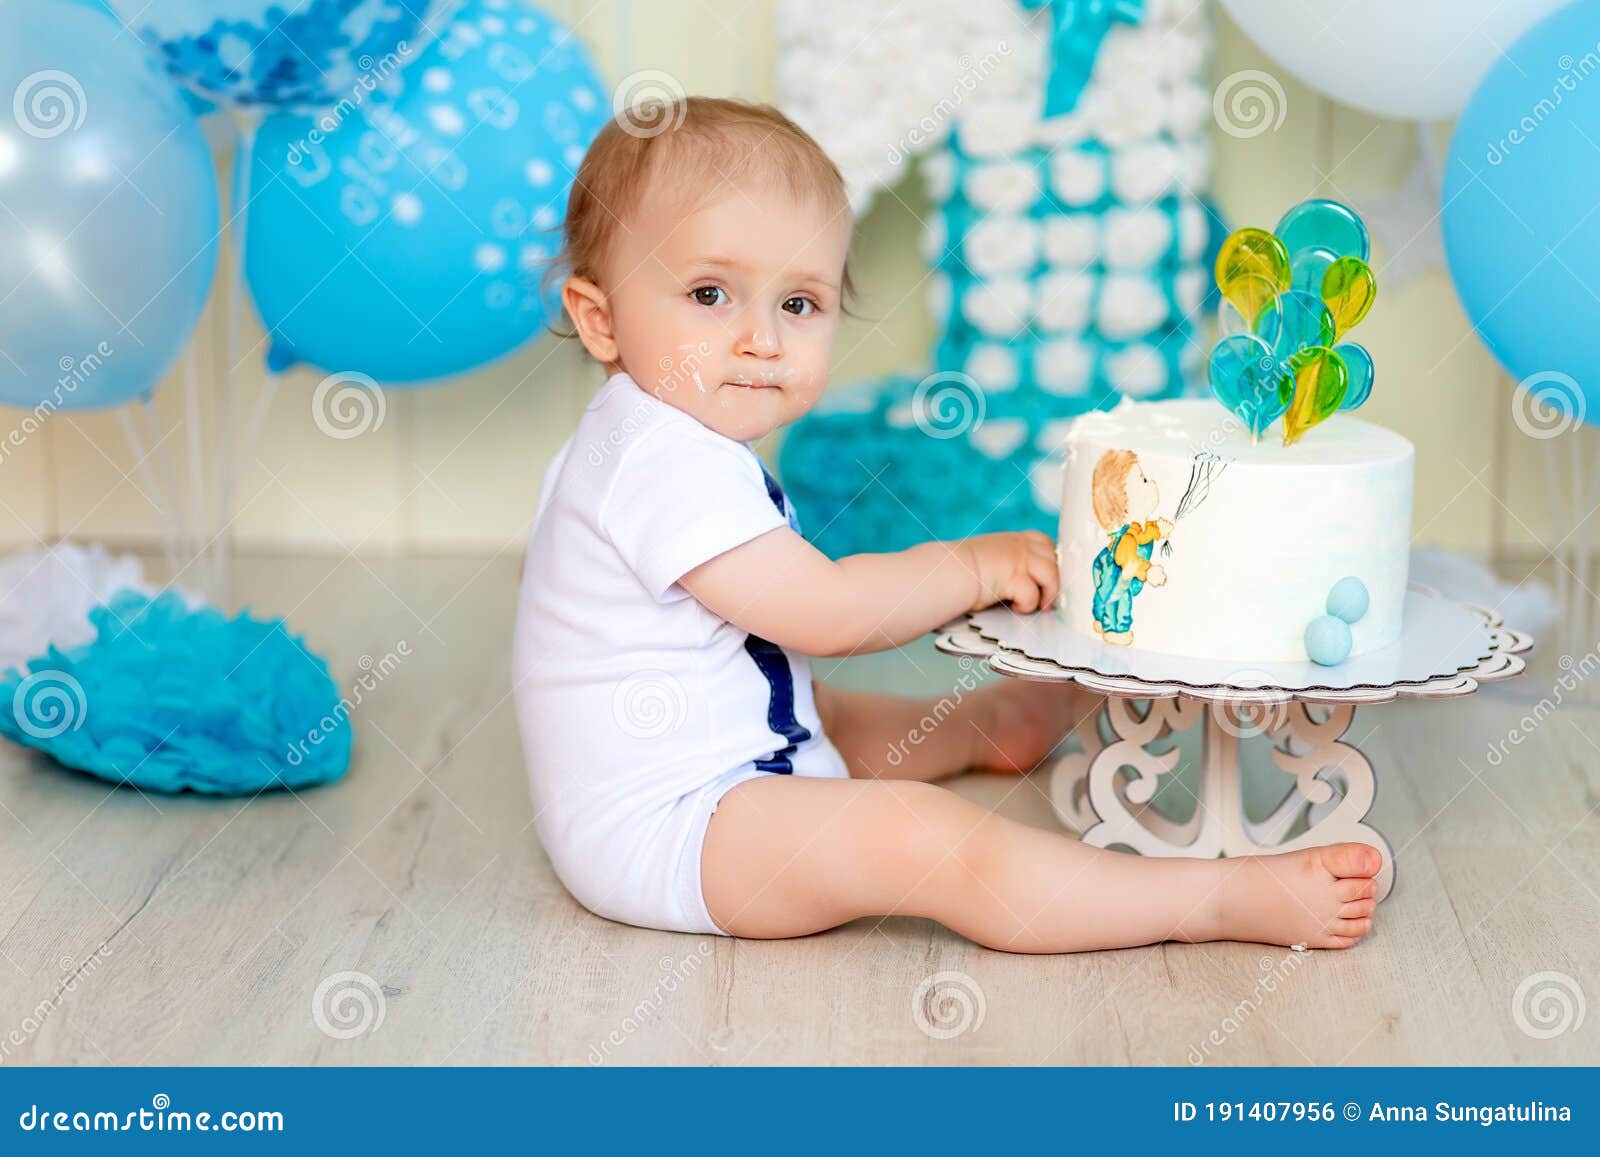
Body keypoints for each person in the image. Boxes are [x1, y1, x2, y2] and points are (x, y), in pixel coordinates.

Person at [512, 97, 1379, 953]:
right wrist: (968, 565)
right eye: (710, 293)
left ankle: (988, 726)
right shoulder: (660, 459)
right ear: (601, 318)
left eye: (800, 304)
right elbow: (824, 612)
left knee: (828, 713)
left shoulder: (652, 431)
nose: (762, 340)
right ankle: (1207, 899)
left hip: (700, 767)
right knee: (921, 837)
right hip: (672, 829)